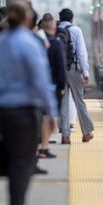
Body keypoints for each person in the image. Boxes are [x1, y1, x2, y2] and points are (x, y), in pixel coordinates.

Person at [0, 0, 57, 205]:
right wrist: (52, 111)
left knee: (8, 160)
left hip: (1, 111)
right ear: (28, 17)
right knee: (22, 163)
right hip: (24, 113)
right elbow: (40, 79)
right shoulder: (29, 43)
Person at [57, 8, 94, 144]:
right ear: (71, 18)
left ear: (60, 18)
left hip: (59, 71)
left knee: (63, 102)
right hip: (73, 69)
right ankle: (86, 132)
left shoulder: (56, 30)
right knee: (79, 101)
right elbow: (81, 53)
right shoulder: (76, 30)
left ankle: (65, 135)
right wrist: (86, 72)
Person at [39, 15, 66, 159]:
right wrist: (62, 85)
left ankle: (43, 146)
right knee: (49, 117)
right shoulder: (56, 44)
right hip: (51, 86)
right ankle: (44, 147)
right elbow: (60, 67)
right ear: (54, 28)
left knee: (42, 117)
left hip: (36, 86)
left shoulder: (35, 42)